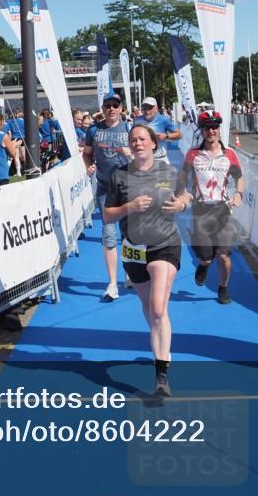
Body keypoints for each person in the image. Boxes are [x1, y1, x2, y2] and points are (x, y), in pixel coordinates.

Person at [103, 124, 188, 396]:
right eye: (133, 140)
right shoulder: (120, 176)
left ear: (153, 144)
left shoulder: (169, 171)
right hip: (133, 250)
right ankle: (160, 341)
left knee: (158, 309)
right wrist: (129, 207)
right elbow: (107, 216)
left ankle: (161, 374)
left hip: (165, 245)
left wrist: (181, 204)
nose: (137, 143)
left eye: (142, 139)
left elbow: (186, 194)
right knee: (151, 311)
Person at [177, 111, 244, 305]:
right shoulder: (193, 154)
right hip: (200, 211)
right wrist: (182, 192)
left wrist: (238, 194)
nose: (211, 131)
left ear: (219, 129)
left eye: (215, 127)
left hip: (223, 211)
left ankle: (223, 289)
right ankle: (204, 265)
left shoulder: (229, 154)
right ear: (202, 130)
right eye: (207, 127)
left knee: (223, 255)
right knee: (206, 258)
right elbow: (183, 176)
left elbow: (239, 178)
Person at [83, 94, 132, 302]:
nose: (111, 109)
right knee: (109, 234)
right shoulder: (93, 130)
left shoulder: (130, 130)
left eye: (115, 105)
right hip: (105, 188)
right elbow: (87, 153)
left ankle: (129, 272)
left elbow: (144, 155)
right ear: (102, 109)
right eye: (107, 106)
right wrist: (89, 165)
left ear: (121, 108)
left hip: (129, 188)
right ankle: (112, 283)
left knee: (129, 235)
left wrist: (130, 155)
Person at [132, 97, 181, 165]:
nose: (147, 110)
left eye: (150, 107)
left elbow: (179, 135)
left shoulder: (164, 120)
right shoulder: (137, 120)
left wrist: (166, 136)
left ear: (156, 108)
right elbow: (132, 137)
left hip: (160, 159)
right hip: (143, 160)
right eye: (144, 108)